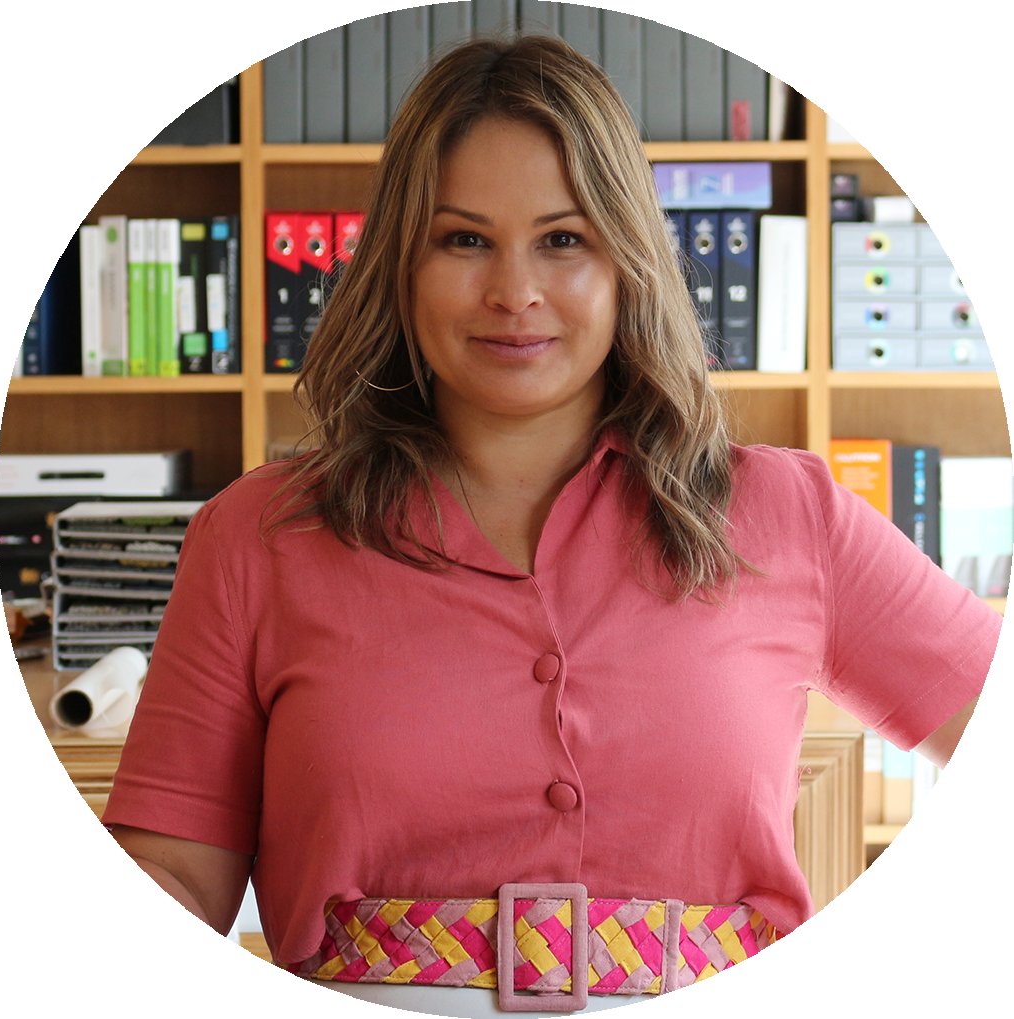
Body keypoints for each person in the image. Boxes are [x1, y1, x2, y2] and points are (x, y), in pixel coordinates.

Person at [102, 34, 999, 1014]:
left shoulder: (790, 513)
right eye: (463, 239)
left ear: (626, 261)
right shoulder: (257, 535)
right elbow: (176, 870)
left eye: (562, 239)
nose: (513, 293)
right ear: (399, 264)